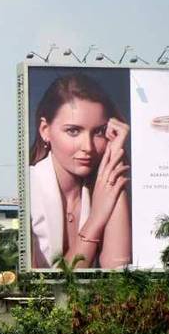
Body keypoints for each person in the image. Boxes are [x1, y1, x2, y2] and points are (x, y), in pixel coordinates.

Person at [29, 73, 132, 269]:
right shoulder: (29, 189)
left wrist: (113, 158)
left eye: (99, 132)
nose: (89, 147)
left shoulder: (100, 189)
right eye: (73, 131)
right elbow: (54, 287)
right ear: (45, 130)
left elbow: (117, 274)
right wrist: (95, 219)